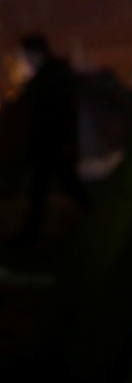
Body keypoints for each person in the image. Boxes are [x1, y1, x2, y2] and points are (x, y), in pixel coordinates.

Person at [13, 34, 89, 241]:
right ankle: (96, 220)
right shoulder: (53, 76)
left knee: (47, 186)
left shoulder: (50, 79)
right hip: (52, 142)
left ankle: (30, 233)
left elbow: (56, 113)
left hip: (51, 143)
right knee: (56, 186)